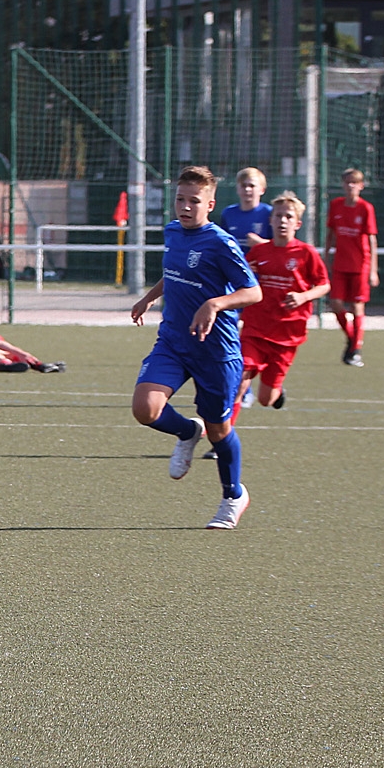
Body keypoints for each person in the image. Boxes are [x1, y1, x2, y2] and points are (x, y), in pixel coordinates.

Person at [129, 165, 261, 530]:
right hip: (173, 341)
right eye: (180, 199)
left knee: (220, 430)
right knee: (145, 408)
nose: (185, 207)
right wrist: (149, 298)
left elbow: (254, 292)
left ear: (211, 204)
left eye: (194, 201)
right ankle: (187, 431)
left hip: (215, 351)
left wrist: (215, 304)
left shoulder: (221, 243)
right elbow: (173, 273)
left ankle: (234, 495)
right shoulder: (173, 231)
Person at [234, 192, 330, 415]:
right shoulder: (259, 252)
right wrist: (248, 274)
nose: (282, 221)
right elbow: (240, 279)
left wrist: (303, 296)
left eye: (288, 216)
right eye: (278, 216)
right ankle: (221, 442)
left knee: (266, 399)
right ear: (271, 220)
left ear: (297, 223)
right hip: (255, 330)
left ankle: (277, 390)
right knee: (238, 381)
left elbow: (324, 285)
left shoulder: (306, 253)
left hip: (287, 336)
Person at [325, 167, 378, 367]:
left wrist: (373, 270)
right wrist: (326, 258)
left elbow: (372, 241)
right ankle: (351, 337)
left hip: (360, 266)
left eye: (354, 183)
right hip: (340, 264)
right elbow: (330, 234)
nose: (350, 186)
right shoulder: (336, 205)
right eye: (347, 182)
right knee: (336, 303)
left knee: (357, 306)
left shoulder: (365, 208)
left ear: (361, 186)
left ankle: (355, 349)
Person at [219, 167, 272, 249]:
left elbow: (280, 245)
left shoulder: (269, 213)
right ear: (237, 189)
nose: (247, 189)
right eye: (243, 185)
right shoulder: (228, 213)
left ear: (262, 190)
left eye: (252, 186)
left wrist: (261, 243)